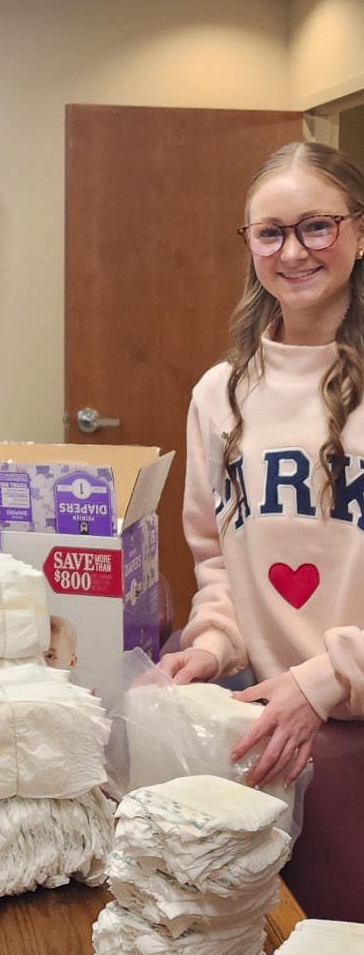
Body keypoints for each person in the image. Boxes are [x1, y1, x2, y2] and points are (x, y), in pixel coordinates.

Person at [159, 141, 364, 797]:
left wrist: (327, 679)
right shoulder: (219, 394)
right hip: (267, 728)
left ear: (360, 231)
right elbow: (219, 562)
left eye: (317, 226)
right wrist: (214, 643)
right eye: (271, 233)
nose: (294, 252)